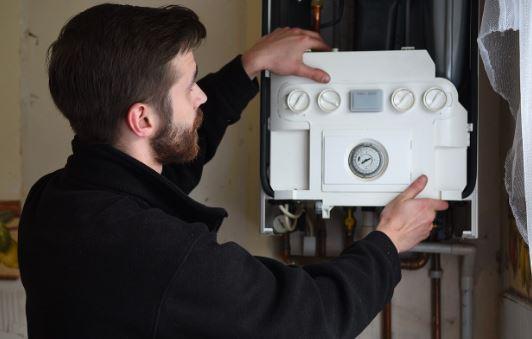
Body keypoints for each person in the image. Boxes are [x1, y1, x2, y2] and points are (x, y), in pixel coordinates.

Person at [18, 3, 448, 339]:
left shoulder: (54, 202)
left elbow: (164, 177)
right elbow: (307, 321)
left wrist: (250, 66)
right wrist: (389, 241)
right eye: (189, 86)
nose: (200, 96)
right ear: (143, 120)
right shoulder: (155, 252)